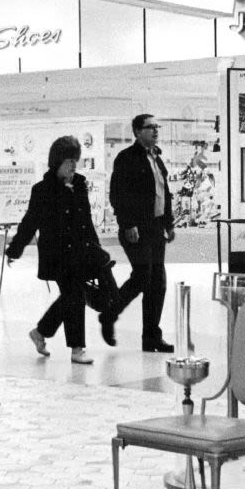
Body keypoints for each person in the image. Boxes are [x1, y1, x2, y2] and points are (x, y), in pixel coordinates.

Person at [5, 136, 118, 365]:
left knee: (70, 296)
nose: (73, 166)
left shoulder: (80, 184)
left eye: (75, 161)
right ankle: (77, 349)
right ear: (57, 162)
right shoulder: (42, 190)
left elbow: (86, 221)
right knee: (74, 296)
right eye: (69, 161)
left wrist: (98, 252)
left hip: (81, 252)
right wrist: (15, 249)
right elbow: (30, 223)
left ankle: (40, 332)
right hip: (56, 257)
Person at [105, 113, 176, 353]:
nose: (155, 131)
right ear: (137, 131)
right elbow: (118, 194)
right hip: (136, 228)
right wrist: (127, 224)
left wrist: (169, 223)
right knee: (142, 277)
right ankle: (109, 314)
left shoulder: (157, 158)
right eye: (150, 127)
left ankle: (151, 337)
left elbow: (164, 193)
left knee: (158, 283)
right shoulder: (127, 158)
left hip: (156, 228)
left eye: (157, 126)